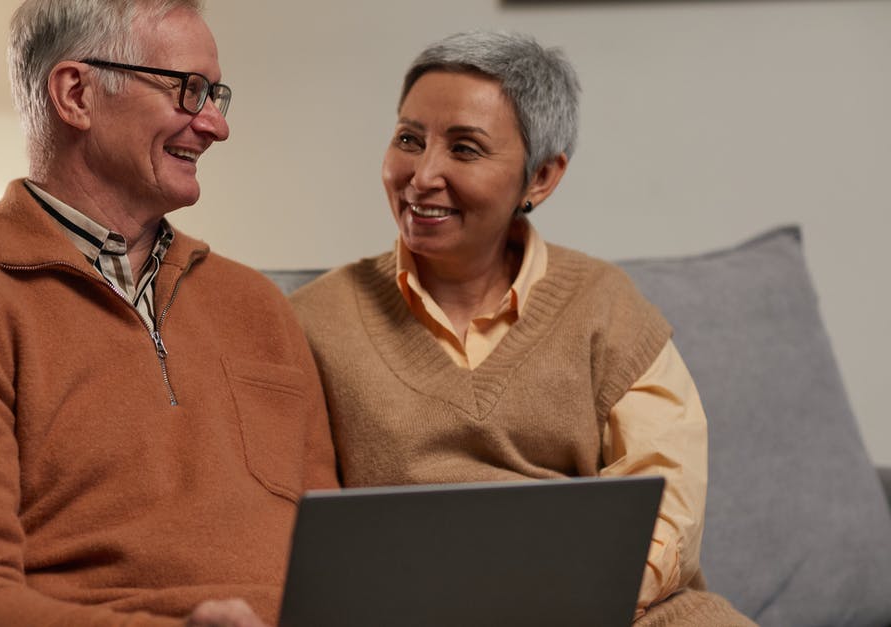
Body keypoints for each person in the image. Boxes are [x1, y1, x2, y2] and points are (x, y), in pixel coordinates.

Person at [0, 1, 337, 625]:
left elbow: (339, 562)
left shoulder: (258, 306)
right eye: (188, 91)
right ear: (76, 94)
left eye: (216, 94)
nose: (216, 126)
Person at [290, 31, 754, 625]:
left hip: (617, 609)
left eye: (464, 149)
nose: (422, 174)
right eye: (410, 139)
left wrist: (564, 600)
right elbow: (297, 529)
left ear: (540, 179)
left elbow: (668, 509)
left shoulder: (606, 306)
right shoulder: (313, 322)